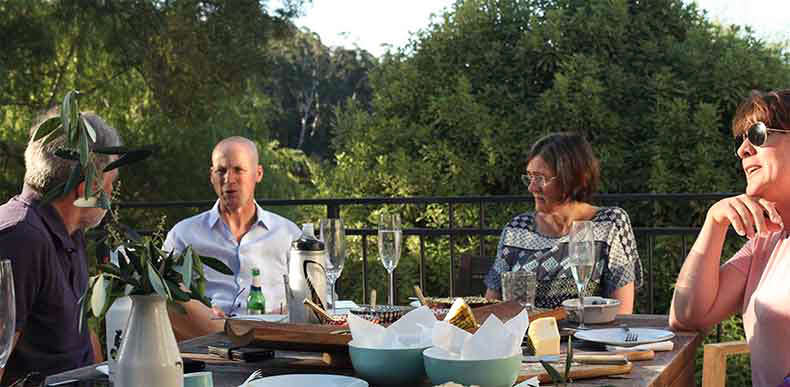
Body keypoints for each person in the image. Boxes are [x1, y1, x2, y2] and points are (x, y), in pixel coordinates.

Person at [669, 90, 790, 386]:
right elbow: (688, 317)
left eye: (759, 134)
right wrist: (714, 222)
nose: (743, 150)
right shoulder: (768, 241)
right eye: (742, 140)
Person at [0, 112, 121, 385]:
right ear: (85, 188)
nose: (111, 195)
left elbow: (80, 336)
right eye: (110, 184)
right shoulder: (19, 239)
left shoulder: (72, 231)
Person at [484, 132, 642, 313]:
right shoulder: (518, 229)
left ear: (573, 178)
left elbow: (622, 313)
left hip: (588, 338)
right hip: (527, 338)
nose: (531, 187)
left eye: (541, 178)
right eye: (530, 176)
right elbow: (491, 306)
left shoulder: (610, 224)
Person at [163, 136, 301, 340]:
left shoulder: (288, 234)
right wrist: (202, 311)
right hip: (206, 343)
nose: (229, 179)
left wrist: (283, 316)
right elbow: (165, 292)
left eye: (238, 170)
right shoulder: (184, 235)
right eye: (221, 171)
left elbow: (311, 299)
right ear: (212, 176)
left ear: (258, 174)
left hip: (272, 340)